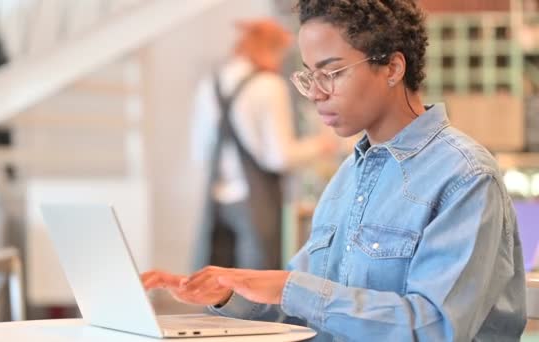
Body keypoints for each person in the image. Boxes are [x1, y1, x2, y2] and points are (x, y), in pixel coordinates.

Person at [144, 1, 527, 340]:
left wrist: (289, 287)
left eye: (333, 72)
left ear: (393, 67)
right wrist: (231, 292)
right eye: (310, 75)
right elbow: (303, 307)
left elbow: (434, 329)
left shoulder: (465, 177)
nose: (315, 93)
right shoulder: (348, 177)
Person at [191, 18, 336, 270]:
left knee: (217, 282)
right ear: (270, 49)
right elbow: (279, 157)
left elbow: (200, 152)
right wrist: (321, 145)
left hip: (216, 201)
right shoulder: (268, 86)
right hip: (256, 204)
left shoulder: (210, 83)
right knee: (256, 288)